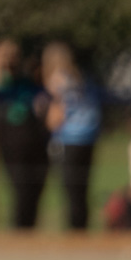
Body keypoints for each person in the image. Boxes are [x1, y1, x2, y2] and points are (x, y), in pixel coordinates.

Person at [0, 40, 49, 230]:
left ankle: (29, 233)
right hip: (12, 146)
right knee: (21, 192)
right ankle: (20, 234)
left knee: (34, 193)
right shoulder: (2, 83)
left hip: (37, 145)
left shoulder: (29, 81)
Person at [43, 42, 99, 232]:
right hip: (89, 138)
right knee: (82, 191)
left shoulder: (57, 80)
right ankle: (82, 230)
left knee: (71, 191)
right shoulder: (81, 78)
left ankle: (75, 236)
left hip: (70, 140)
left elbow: (56, 118)